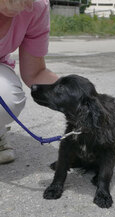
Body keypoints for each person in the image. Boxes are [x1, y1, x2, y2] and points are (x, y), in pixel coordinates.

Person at [0, 0, 58, 164]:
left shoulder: (36, 6)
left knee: (6, 98)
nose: (25, 7)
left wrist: (82, 97)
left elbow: (35, 73)